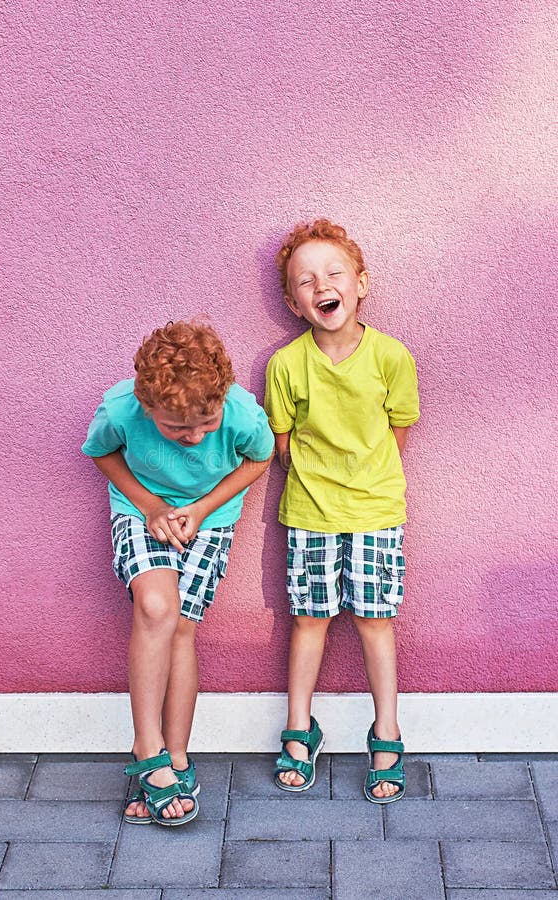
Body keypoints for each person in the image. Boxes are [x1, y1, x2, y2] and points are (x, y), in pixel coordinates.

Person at [82, 321, 274, 826]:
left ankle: (176, 757)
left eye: (205, 424)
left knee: (182, 627)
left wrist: (205, 508)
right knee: (155, 608)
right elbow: (101, 451)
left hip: (208, 518)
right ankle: (149, 750)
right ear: (147, 408)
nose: (194, 437)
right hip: (140, 511)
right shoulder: (122, 407)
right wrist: (148, 506)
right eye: (176, 428)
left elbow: (259, 459)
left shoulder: (240, 411)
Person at [264, 219, 419, 803]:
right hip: (309, 513)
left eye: (333, 273)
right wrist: (320, 483)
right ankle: (300, 731)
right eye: (305, 281)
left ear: (360, 283)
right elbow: (281, 442)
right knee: (309, 621)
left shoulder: (390, 357)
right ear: (292, 301)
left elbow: (399, 427)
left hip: (377, 512)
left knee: (376, 621)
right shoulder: (285, 365)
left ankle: (386, 733)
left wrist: (365, 481)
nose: (321, 286)